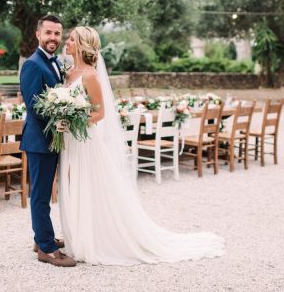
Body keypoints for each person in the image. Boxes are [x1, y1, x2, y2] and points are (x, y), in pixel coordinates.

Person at [58, 26, 225, 265]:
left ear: (82, 45)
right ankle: (78, 235)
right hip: (70, 140)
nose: (67, 42)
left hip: (85, 139)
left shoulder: (90, 75)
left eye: (72, 39)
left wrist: (74, 121)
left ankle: (95, 240)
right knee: (74, 184)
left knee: (90, 185)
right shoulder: (69, 72)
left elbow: (100, 113)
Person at [20, 14, 76, 267]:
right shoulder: (32, 64)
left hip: (52, 140)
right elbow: (34, 107)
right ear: (38, 34)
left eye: (57, 33)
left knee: (45, 192)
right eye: (49, 33)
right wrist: (62, 115)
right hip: (40, 141)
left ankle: (41, 237)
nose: (53, 38)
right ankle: (46, 249)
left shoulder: (54, 62)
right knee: (41, 195)